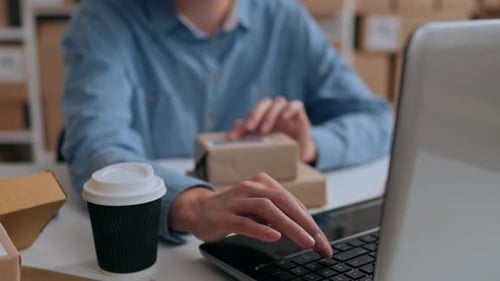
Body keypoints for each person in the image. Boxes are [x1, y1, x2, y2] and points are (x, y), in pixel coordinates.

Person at [61, 0, 393, 258]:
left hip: (269, 239)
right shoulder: (103, 18)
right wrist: (192, 204)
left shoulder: (284, 17)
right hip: (160, 248)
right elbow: (97, 144)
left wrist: (309, 148)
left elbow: (377, 118)